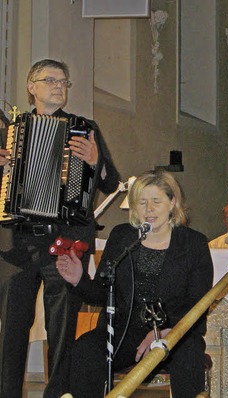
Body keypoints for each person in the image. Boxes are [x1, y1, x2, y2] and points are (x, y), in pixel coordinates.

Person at [0, 59, 120, 397]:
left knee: (62, 329)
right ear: (31, 87)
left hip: (66, 242)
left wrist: (96, 161)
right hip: (16, 245)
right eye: (50, 80)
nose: (59, 87)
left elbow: (113, 182)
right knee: (10, 329)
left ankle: (59, 395)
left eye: (64, 82)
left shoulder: (84, 128)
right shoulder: (7, 131)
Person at [56, 169, 213, 397]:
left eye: (156, 201)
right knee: (86, 348)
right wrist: (79, 279)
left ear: (172, 203)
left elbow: (197, 303)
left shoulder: (194, 243)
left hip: (175, 333)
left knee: (189, 354)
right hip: (125, 332)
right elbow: (103, 294)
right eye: (141, 202)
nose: (148, 209)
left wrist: (163, 332)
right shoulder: (122, 237)